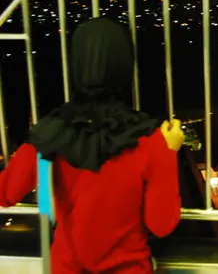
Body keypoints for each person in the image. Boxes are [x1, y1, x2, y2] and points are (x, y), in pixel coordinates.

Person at [0, 18, 183, 273]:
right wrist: (169, 152)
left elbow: (5, 192)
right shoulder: (149, 141)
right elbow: (161, 224)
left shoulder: (51, 133)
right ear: (125, 66)